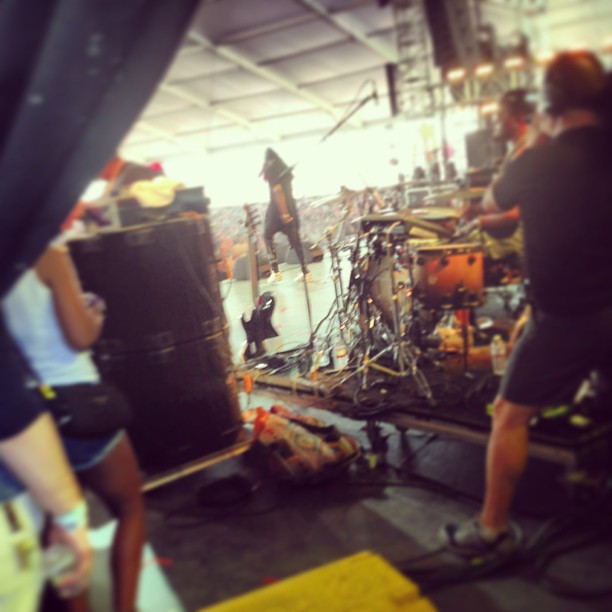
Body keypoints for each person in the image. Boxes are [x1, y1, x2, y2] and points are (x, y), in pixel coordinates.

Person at [439, 50, 612, 557]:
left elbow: (494, 201)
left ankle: (491, 530)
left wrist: (536, 137)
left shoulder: (538, 159)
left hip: (566, 318)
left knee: (509, 415)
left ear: (549, 103)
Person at [3, 242, 146, 612]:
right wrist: (94, 312)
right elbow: (80, 336)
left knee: (61, 530)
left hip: (27, 422)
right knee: (129, 507)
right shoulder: (47, 253)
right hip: (79, 407)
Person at [457, 89, 542, 268]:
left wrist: (478, 221)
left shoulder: (525, 152)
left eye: (500, 115)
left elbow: (518, 212)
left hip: (520, 246)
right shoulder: (517, 150)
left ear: (517, 119)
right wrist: (476, 210)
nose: (494, 120)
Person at [260, 148, 312, 283]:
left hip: (278, 209)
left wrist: (284, 213)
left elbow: (278, 191)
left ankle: (275, 271)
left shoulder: (271, 168)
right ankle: (305, 271)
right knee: (295, 241)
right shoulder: (283, 169)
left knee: (267, 235)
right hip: (290, 206)